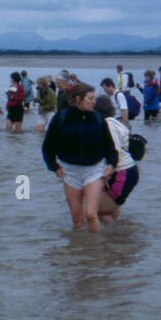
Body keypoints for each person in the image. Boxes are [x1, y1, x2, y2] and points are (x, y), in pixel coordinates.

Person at [42, 82, 119, 231]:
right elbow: (48, 146)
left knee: (91, 214)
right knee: (77, 220)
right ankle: (80, 251)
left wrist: (111, 163)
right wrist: (53, 166)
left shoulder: (97, 117)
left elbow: (109, 146)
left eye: (94, 98)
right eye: (90, 98)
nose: (94, 102)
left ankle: (97, 252)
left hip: (94, 171)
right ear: (78, 99)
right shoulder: (61, 118)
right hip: (69, 172)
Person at [97, 100, 139, 221]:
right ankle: (119, 234)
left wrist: (106, 176)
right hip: (128, 169)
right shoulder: (116, 122)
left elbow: (115, 151)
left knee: (98, 211)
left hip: (122, 171)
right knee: (113, 210)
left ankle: (111, 237)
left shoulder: (108, 125)